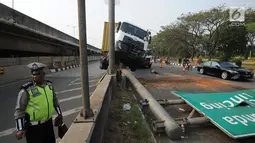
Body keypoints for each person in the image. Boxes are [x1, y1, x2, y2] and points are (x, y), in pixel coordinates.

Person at [14, 62, 63, 143]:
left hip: (48, 125)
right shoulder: (26, 89)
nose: (35, 77)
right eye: (33, 75)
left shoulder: (49, 85)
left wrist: (60, 114)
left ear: (43, 74)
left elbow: (55, 101)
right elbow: (19, 110)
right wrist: (20, 129)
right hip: (33, 129)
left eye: (37, 74)